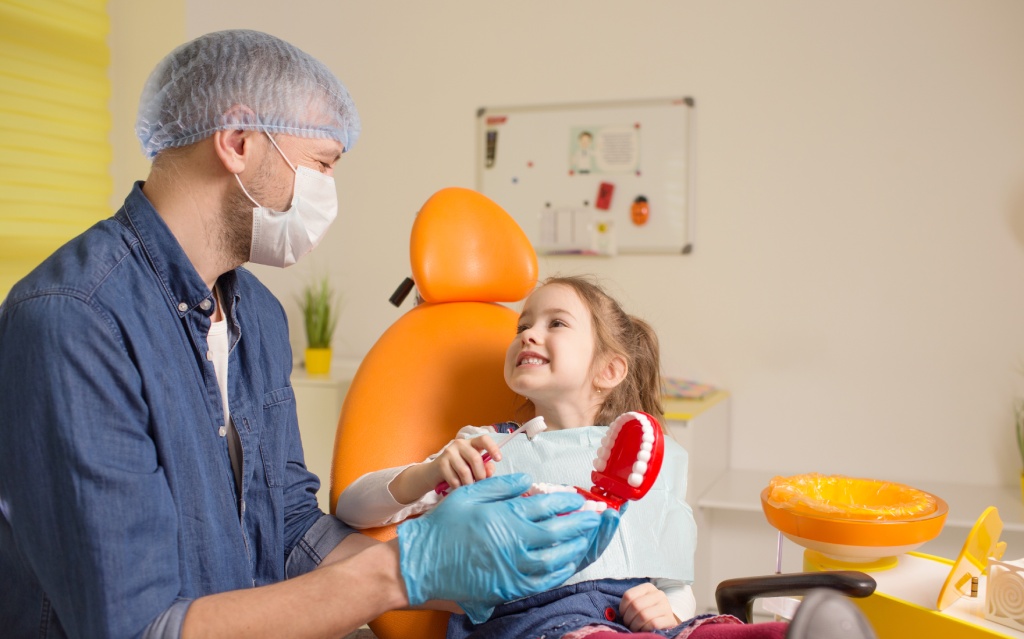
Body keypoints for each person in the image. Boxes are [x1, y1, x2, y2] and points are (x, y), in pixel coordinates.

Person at [0, 30, 620, 639]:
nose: (328, 192)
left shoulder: (259, 318)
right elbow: (137, 627)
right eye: (322, 164)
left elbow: (292, 525)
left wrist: (463, 578)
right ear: (238, 141)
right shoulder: (73, 319)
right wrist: (405, 568)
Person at [338, 275, 720, 638]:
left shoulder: (641, 454)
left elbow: (676, 582)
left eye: (556, 323)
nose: (529, 335)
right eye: (522, 327)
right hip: (531, 622)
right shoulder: (487, 448)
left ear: (609, 369)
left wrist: (670, 611)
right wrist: (429, 473)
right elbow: (351, 508)